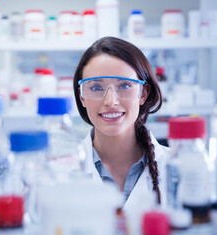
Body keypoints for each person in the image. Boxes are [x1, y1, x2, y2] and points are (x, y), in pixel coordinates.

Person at [73, 37, 170, 210]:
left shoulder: (177, 168)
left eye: (124, 86)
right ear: (82, 97)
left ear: (143, 94)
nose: (111, 101)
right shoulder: (62, 172)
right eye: (96, 87)